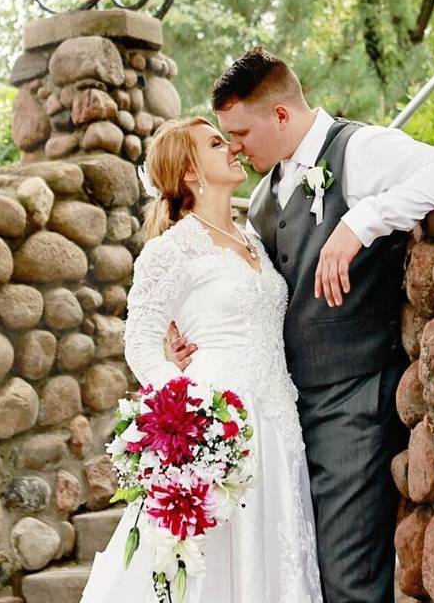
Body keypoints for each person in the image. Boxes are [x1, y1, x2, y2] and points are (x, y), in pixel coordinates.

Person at [170, 47, 434, 603]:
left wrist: (361, 222)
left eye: (240, 131)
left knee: (347, 582)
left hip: (353, 400)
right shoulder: (265, 195)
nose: (235, 147)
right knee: (296, 575)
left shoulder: (360, 149)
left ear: (282, 115)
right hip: (281, 413)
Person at [79, 116, 324, 603]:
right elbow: (140, 345)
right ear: (190, 172)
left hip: (277, 421)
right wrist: (189, 410)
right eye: (216, 143)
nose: (232, 146)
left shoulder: (253, 237)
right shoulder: (172, 249)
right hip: (220, 426)